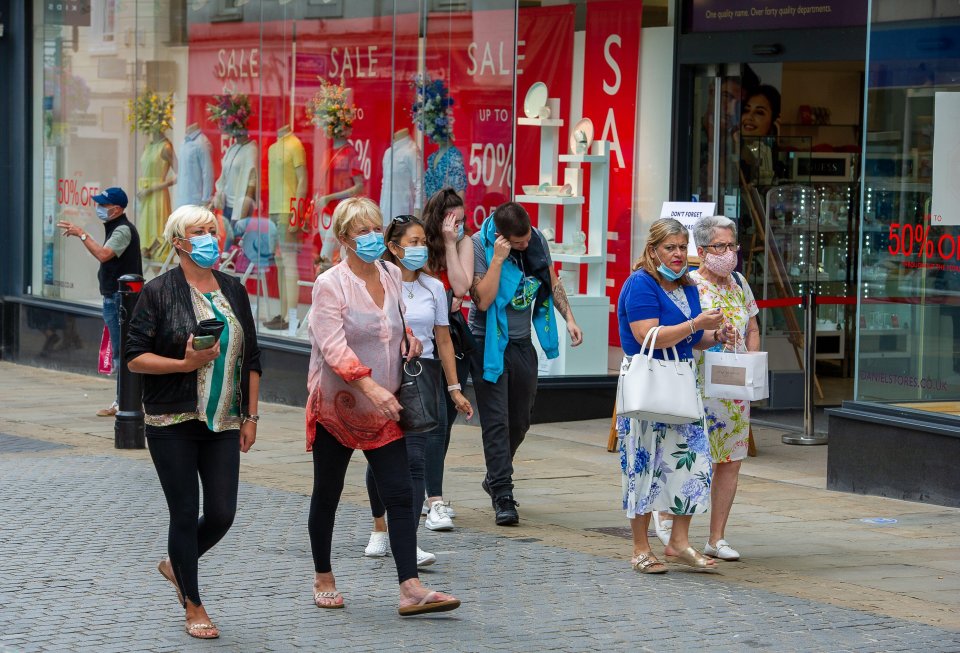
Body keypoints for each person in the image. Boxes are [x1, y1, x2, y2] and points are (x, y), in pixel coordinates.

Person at [305, 196, 461, 616]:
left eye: (377, 228)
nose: (374, 237)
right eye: (363, 231)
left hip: (387, 406)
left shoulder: (391, 274)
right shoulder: (330, 284)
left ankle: (410, 587)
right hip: (338, 406)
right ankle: (323, 576)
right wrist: (370, 387)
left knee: (400, 491)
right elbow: (332, 346)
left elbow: (395, 320)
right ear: (343, 238)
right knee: (328, 493)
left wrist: (409, 337)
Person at [125, 205, 262, 639]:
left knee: (221, 513)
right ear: (179, 242)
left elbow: (253, 358)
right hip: (172, 420)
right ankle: (194, 604)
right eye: (199, 232)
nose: (209, 238)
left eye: (212, 230)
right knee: (184, 512)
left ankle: (176, 564)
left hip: (223, 420)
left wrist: (251, 415)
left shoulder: (234, 290)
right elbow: (133, 358)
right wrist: (184, 364)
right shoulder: (158, 291)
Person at [616, 217, 733, 574]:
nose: (679, 254)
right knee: (644, 465)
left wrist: (716, 336)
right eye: (671, 247)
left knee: (694, 465)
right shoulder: (641, 284)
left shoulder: (687, 287)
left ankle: (679, 541)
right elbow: (646, 335)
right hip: (650, 387)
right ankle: (640, 547)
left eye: (682, 247)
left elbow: (692, 340)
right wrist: (697, 325)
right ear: (653, 250)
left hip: (681, 384)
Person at [363, 215, 473, 561]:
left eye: (423, 241)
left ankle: (406, 539)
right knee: (380, 457)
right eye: (412, 242)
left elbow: (442, 339)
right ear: (394, 248)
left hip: (421, 377)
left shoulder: (434, 288)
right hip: (383, 375)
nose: (420, 248)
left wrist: (454, 388)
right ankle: (380, 525)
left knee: (414, 462)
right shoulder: (376, 281)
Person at [469, 202, 583, 526]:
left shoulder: (535, 239)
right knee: (496, 422)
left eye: (526, 240)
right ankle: (503, 495)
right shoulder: (479, 245)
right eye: (518, 243)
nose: (525, 246)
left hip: (522, 343)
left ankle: (494, 476)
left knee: (520, 420)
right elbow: (483, 300)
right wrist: (498, 259)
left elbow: (551, 280)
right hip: (488, 343)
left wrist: (569, 319)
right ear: (502, 238)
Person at [690, 215, 761, 562]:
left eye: (732, 245)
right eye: (720, 246)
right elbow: (686, 334)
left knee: (730, 460)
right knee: (695, 457)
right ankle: (677, 530)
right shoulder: (690, 286)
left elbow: (753, 325)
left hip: (734, 389)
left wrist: (751, 359)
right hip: (698, 384)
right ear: (702, 251)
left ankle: (716, 537)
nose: (729, 252)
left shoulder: (739, 282)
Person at [57, 187, 142, 417]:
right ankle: (124, 400)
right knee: (119, 350)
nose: (99, 209)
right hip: (114, 296)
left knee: (121, 351)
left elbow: (104, 255)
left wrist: (82, 234)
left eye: (103, 205)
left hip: (119, 298)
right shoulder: (115, 227)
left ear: (116, 209)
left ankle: (125, 402)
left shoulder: (123, 229)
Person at [420, 187, 475, 521]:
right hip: (425, 342)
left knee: (446, 419)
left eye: (462, 218)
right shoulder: (420, 244)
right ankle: (434, 498)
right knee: (435, 420)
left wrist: (452, 243)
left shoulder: (464, 243)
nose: (457, 224)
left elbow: (460, 287)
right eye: (451, 218)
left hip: (454, 340)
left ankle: (430, 488)